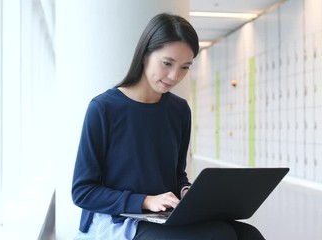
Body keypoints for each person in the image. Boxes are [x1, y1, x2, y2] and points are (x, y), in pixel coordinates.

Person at [71, 13, 265, 239]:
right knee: (218, 235)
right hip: (120, 218)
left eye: (185, 67)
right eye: (167, 63)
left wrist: (186, 191)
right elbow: (83, 191)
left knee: (248, 234)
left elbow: (177, 174)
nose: (174, 76)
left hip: (165, 214)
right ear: (145, 54)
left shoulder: (179, 110)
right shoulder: (103, 108)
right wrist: (144, 200)